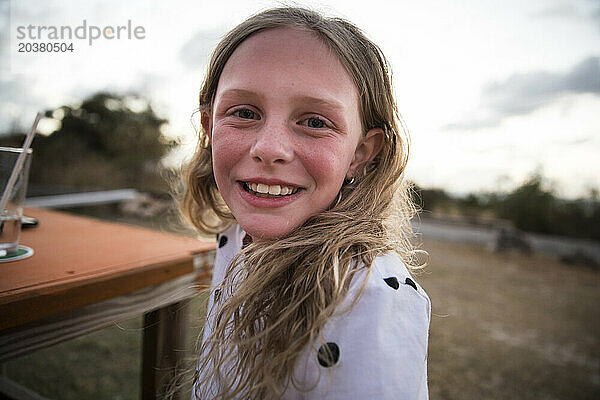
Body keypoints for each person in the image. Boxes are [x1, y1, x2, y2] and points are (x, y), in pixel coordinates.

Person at [182, 6, 431, 400]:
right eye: (244, 113)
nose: (270, 149)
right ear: (209, 126)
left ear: (360, 153)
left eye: (315, 122)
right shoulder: (237, 235)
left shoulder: (370, 302)